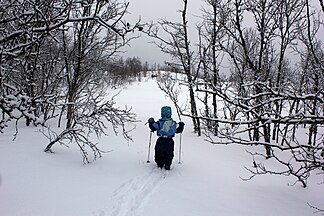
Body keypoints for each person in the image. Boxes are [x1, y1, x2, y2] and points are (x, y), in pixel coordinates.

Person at [147, 106, 185, 170]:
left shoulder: (159, 122)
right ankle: (167, 164)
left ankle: (160, 163)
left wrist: (151, 123)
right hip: (169, 140)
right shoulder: (173, 123)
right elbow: (178, 130)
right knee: (169, 152)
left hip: (161, 140)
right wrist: (181, 126)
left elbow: (153, 127)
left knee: (159, 151)